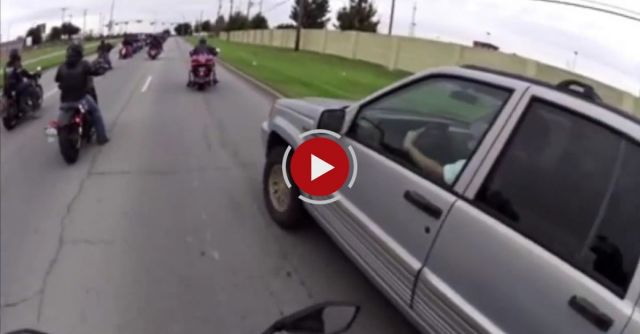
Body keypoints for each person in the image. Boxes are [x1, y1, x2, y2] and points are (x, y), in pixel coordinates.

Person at [55, 44, 109, 145]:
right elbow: (95, 71)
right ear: (80, 53)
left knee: (55, 124)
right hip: (81, 101)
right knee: (96, 112)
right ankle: (102, 138)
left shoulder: (61, 66)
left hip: (64, 103)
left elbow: (57, 79)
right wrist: (102, 69)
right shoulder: (83, 64)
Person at [2, 49, 37, 114]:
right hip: (16, 86)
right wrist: (31, 75)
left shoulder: (7, 65)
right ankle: (31, 109)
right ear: (16, 56)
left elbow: (6, 76)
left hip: (6, 88)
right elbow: (24, 72)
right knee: (29, 84)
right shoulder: (17, 64)